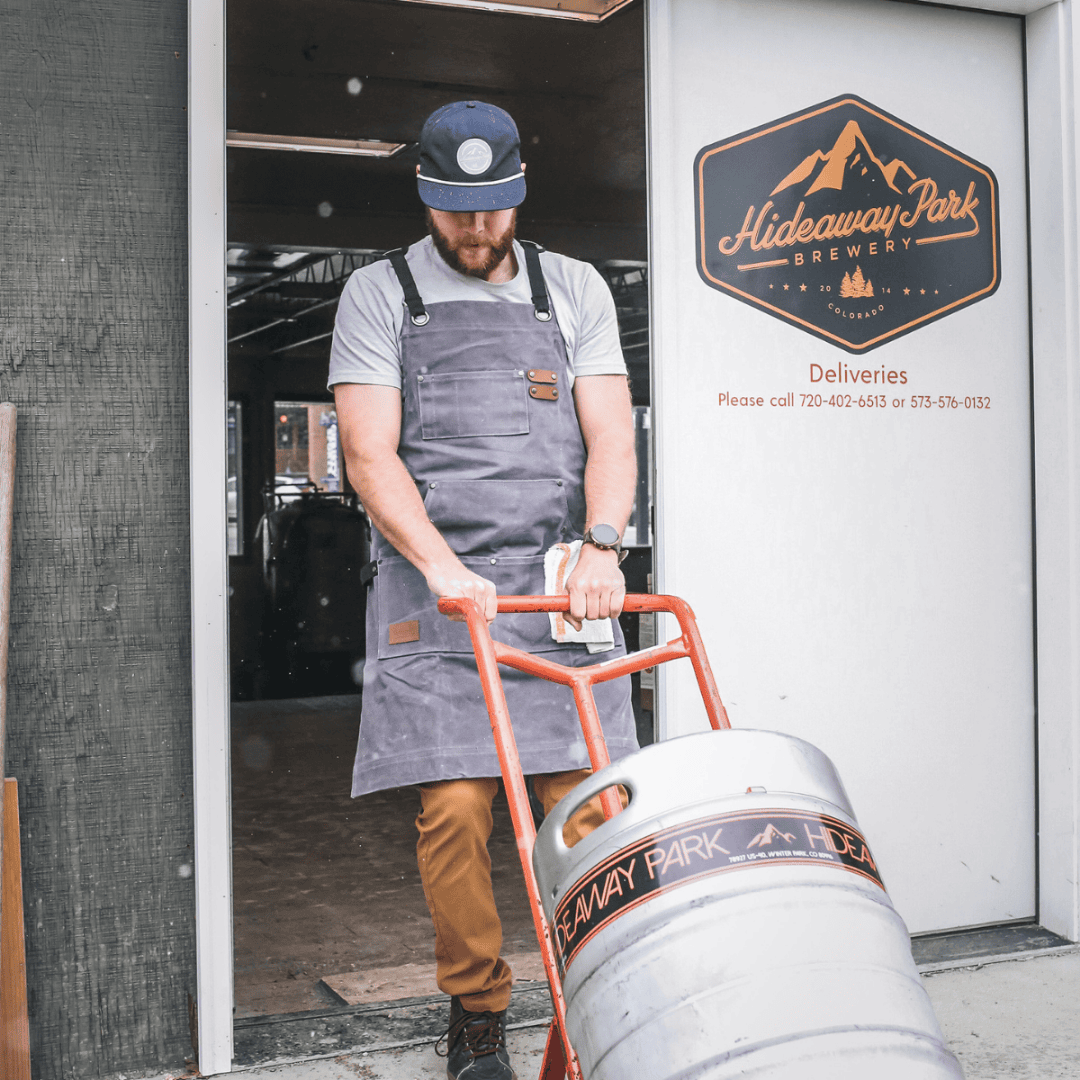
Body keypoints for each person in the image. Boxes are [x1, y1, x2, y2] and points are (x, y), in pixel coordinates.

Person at [330, 99, 638, 1080]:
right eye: (458, 210)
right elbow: (368, 455)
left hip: (555, 594)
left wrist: (602, 544)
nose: (477, 229)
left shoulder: (574, 287)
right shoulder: (379, 295)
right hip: (440, 592)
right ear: (426, 192)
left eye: (493, 209)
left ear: (518, 194)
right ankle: (476, 1010)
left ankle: (612, 992)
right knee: (456, 809)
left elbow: (613, 436)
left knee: (587, 805)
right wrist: (442, 564)